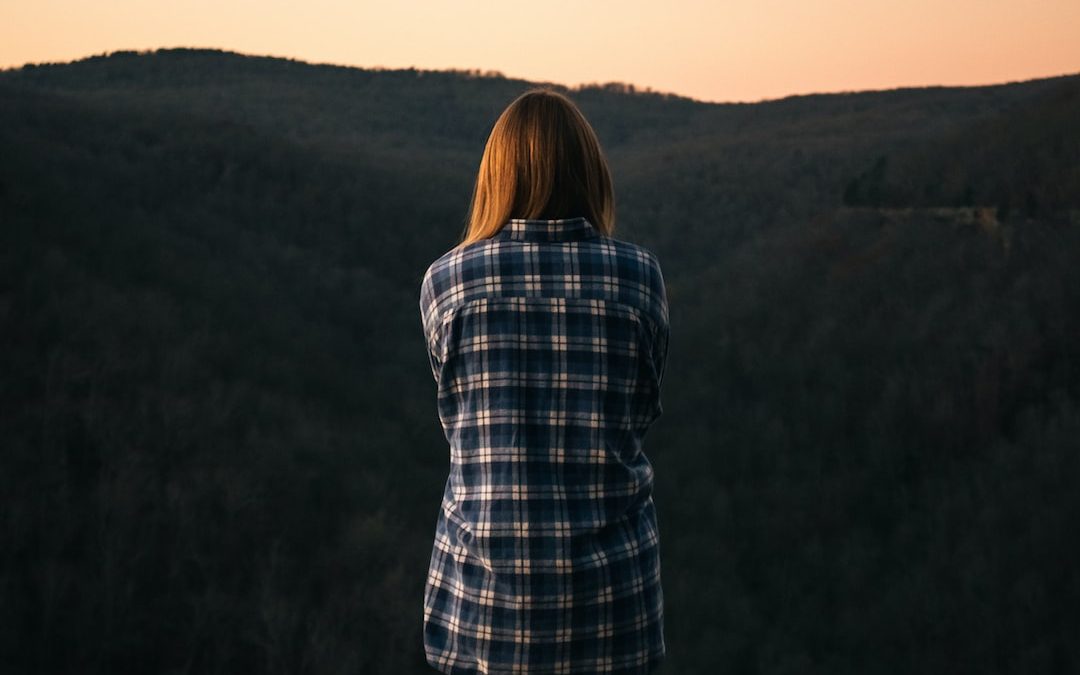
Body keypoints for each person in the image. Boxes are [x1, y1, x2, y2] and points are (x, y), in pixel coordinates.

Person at [419, 87, 670, 674]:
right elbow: (643, 410)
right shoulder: (639, 280)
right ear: (591, 173)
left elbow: (455, 421)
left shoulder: (447, 284)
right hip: (614, 608)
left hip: (482, 609)